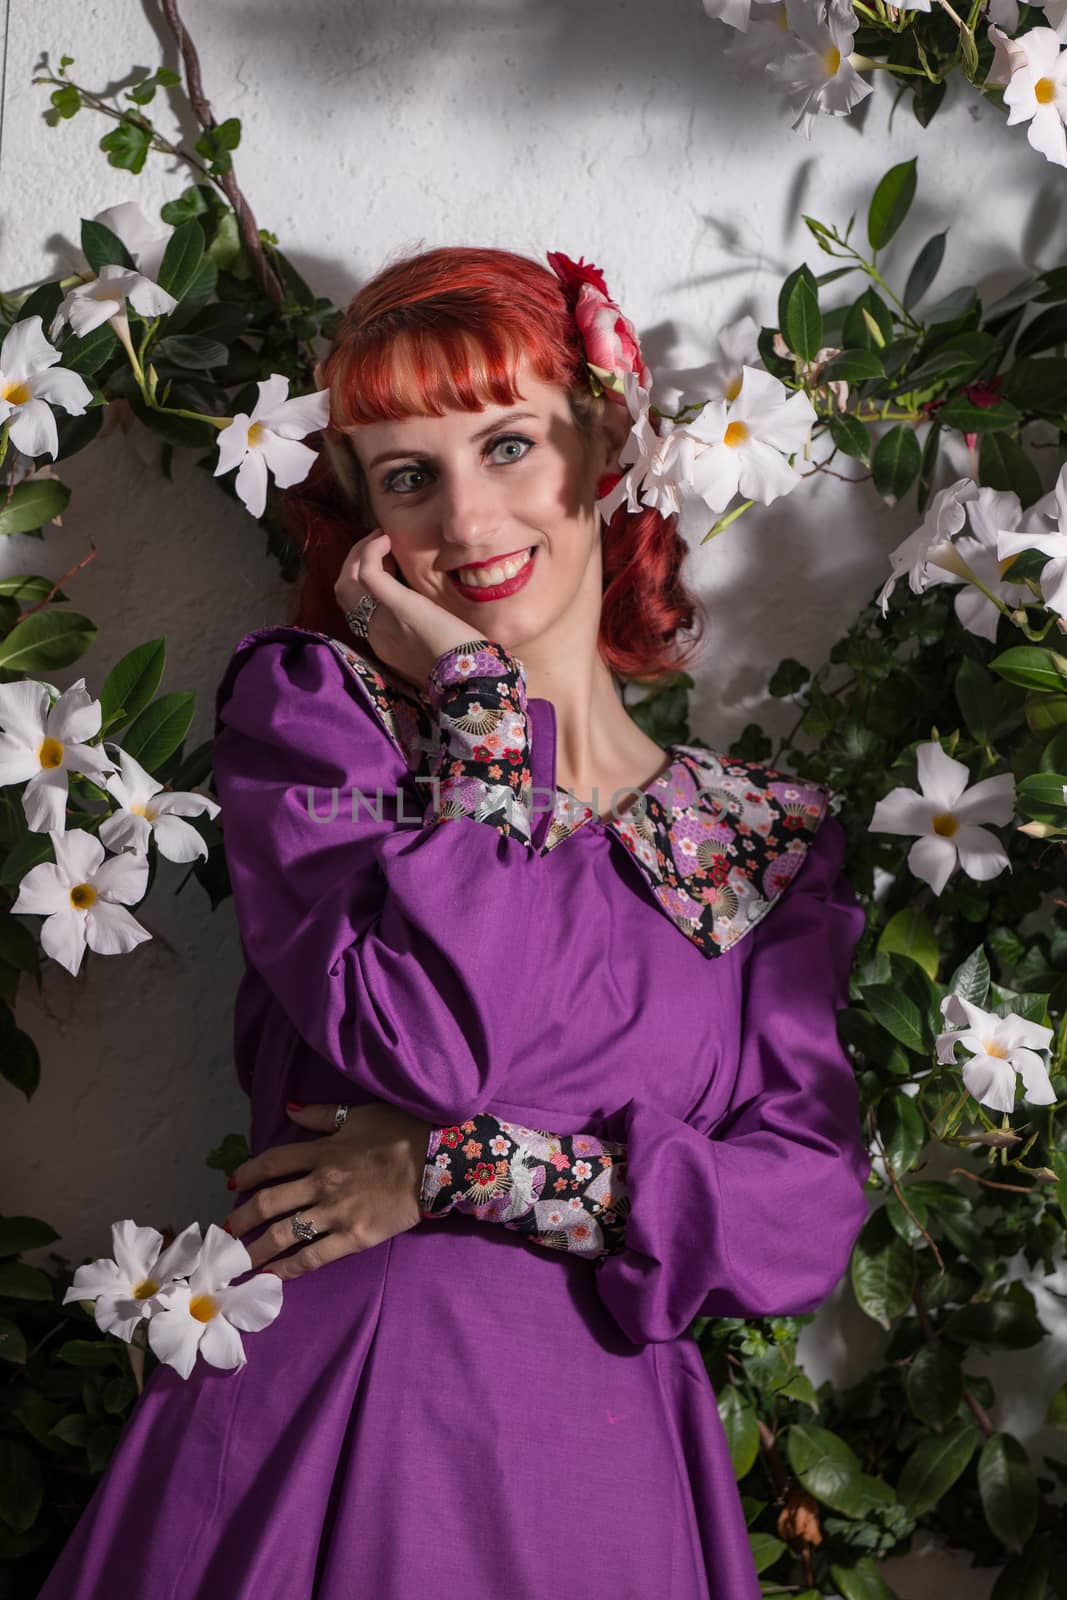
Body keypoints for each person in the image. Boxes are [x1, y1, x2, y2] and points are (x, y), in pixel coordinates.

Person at [38, 244, 871, 1600]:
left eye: (507, 446)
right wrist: (482, 703)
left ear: (601, 443)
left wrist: (460, 1173)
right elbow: (438, 1048)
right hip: (335, 1430)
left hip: (609, 1485)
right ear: (366, 522)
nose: (471, 520)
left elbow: (802, 1220)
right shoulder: (322, 726)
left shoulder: (763, 839)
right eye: (410, 476)